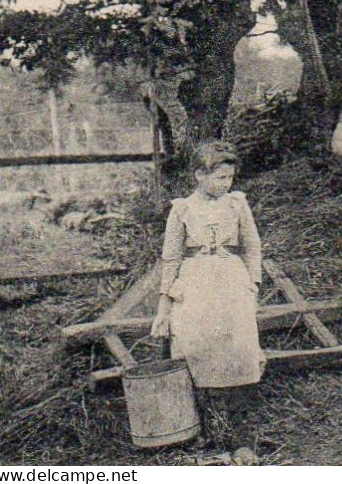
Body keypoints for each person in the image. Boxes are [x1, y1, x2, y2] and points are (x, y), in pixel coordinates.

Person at [151, 140, 265, 465]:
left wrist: (252, 284)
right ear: (200, 175)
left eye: (229, 178)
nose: (225, 184)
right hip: (196, 285)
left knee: (240, 354)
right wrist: (163, 306)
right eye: (219, 178)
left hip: (231, 282)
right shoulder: (182, 210)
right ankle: (209, 438)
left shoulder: (237, 205)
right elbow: (170, 258)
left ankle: (243, 441)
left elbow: (252, 247)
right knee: (198, 353)